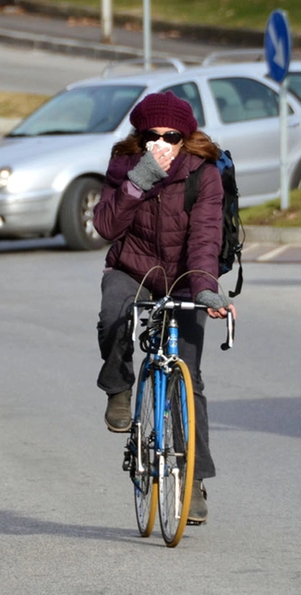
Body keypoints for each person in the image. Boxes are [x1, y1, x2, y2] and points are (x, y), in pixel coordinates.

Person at [93, 91, 234, 525]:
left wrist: (206, 288)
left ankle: (192, 481)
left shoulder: (204, 175)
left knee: (188, 381)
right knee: (114, 312)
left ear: (185, 138)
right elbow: (105, 227)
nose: (162, 143)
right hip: (132, 269)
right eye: (151, 135)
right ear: (140, 138)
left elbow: (206, 237)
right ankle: (119, 389)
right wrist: (139, 181)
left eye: (171, 136)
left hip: (185, 276)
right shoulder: (125, 169)